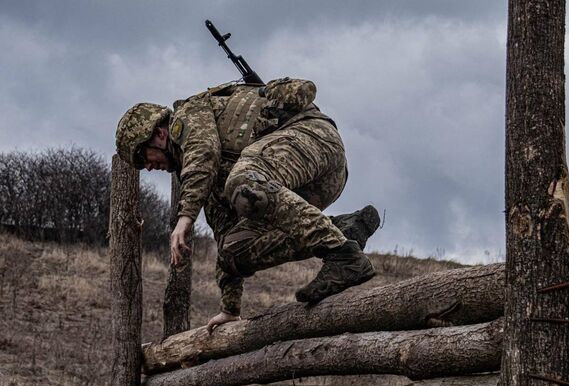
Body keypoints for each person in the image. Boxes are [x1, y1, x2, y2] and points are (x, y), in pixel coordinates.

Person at [115, 78, 380, 333]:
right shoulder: (208, 181)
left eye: (142, 157)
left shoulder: (188, 115)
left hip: (313, 140)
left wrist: (186, 217)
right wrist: (230, 308)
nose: (148, 167)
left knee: (243, 183)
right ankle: (344, 231)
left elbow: (203, 151)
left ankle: (342, 254)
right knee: (233, 250)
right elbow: (223, 236)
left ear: (159, 134)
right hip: (302, 184)